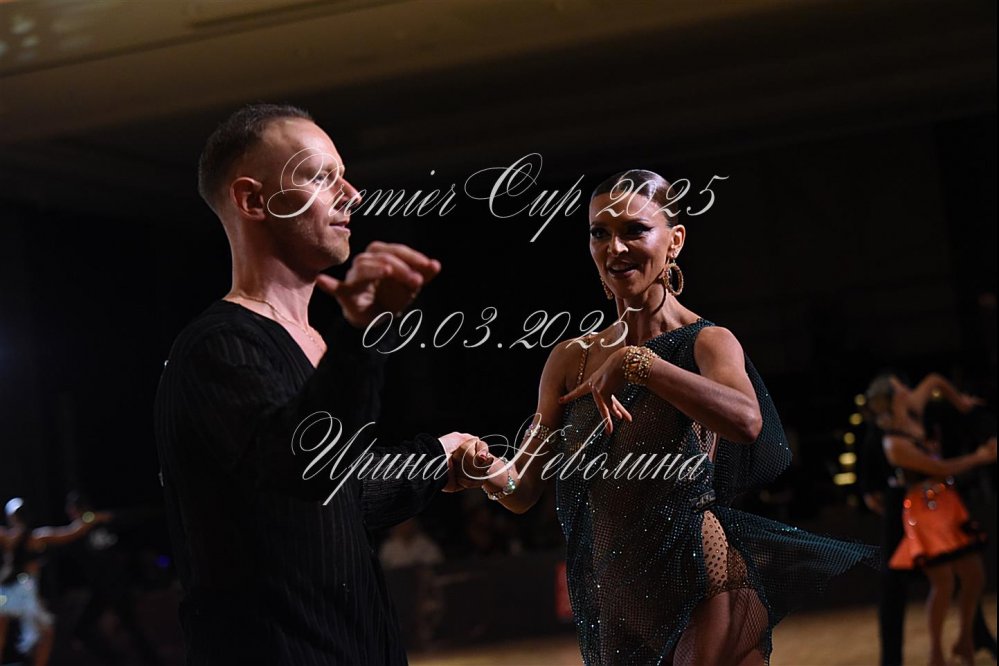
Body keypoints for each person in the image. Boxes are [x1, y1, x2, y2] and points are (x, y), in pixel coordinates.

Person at [481, 169, 879, 665]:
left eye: (635, 230)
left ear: (675, 241)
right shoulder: (569, 360)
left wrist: (640, 364)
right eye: (600, 233)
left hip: (700, 585)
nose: (615, 247)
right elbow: (520, 489)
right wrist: (480, 464)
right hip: (613, 600)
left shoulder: (707, 343)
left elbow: (747, 421)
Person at [154, 103, 493, 665]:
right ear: (253, 200)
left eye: (344, 175)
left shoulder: (315, 344)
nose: (351, 195)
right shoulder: (217, 347)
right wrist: (361, 334)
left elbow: (341, 501)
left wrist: (437, 459)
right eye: (319, 176)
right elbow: (306, 467)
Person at [865, 373, 996, 666]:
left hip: (947, 502)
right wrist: (980, 457)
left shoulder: (913, 408)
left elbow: (935, 380)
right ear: (894, 399)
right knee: (944, 582)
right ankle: (936, 652)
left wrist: (961, 403)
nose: (907, 388)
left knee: (974, 575)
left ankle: (965, 640)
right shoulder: (893, 444)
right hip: (924, 511)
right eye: (900, 387)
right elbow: (942, 468)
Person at [0, 497, 109, 666]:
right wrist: (93, 518)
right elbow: (73, 531)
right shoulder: (23, 538)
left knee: (42, 633)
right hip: (13, 591)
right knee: (37, 632)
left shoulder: (33, 537)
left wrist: (93, 519)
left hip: (19, 592)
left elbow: (72, 532)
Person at [63, 492, 162, 665]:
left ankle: (147, 662)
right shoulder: (77, 531)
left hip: (117, 585)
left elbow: (130, 521)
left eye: (75, 510)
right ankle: (123, 661)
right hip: (102, 588)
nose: (73, 513)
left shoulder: (103, 521)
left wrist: (104, 517)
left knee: (131, 627)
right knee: (85, 629)